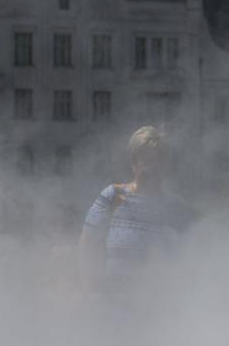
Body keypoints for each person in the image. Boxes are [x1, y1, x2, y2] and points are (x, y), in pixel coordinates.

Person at [80, 125, 195, 308]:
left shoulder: (174, 208)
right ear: (133, 162)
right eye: (146, 161)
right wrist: (92, 294)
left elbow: (191, 256)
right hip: (112, 305)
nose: (152, 168)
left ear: (165, 166)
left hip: (158, 308)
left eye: (158, 161)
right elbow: (88, 246)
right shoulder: (112, 196)